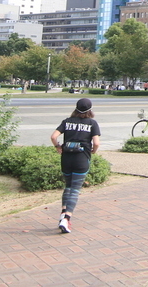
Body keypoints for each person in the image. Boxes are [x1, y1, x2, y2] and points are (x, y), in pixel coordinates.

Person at [50, 98, 101, 234]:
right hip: (81, 159)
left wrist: (57, 147)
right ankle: (66, 219)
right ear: (90, 109)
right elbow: (96, 143)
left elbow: (53, 136)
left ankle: (63, 213)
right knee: (75, 190)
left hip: (66, 158)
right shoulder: (92, 123)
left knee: (68, 186)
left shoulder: (67, 122)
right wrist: (93, 151)